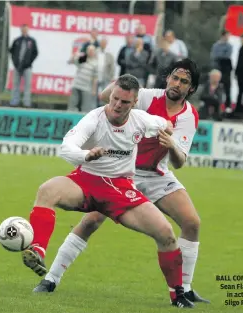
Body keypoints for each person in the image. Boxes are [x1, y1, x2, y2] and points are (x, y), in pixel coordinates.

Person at [34, 59, 209, 304]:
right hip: (122, 172)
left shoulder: (190, 116)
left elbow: (179, 162)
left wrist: (171, 147)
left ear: (191, 89)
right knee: (90, 222)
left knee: (191, 222)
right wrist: (122, 87)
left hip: (157, 173)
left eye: (184, 82)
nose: (177, 84)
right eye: (175, 78)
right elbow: (108, 96)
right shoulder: (146, 95)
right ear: (167, 78)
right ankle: (51, 278)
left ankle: (185, 289)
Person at [9, 24, 38, 108]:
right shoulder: (17, 40)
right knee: (15, 84)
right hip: (17, 66)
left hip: (27, 67)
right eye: (23, 29)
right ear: (21, 30)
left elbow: (35, 53)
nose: (24, 30)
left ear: (28, 30)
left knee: (27, 85)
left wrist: (29, 62)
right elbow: (11, 51)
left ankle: (26, 103)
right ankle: (14, 101)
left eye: (26, 29)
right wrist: (15, 62)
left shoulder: (31, 41)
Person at [67, 45, 98, 112]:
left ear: (94, 52)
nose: (90, 52)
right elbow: (70, 62)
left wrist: (94, 90)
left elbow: (95, 78)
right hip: (77, 84)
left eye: (92, 51)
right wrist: (74, 55)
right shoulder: (83, 58)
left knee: (85, 108)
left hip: (86, 87)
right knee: (72, 105)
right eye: (89, 50)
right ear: (87, 51)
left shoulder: (95, 63)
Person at [210, 30, 233, 113]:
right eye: (227, 36)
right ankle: (213, 106)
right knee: (215, 88)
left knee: (227, 88)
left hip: (226, 70)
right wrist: (221, 56)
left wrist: (220, 57)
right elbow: (214, 56)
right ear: (223, 36)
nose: (228, 38)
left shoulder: (229, 46)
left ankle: (228, 106)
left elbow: (227, 56)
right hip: (217, 69)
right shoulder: (216, 45)